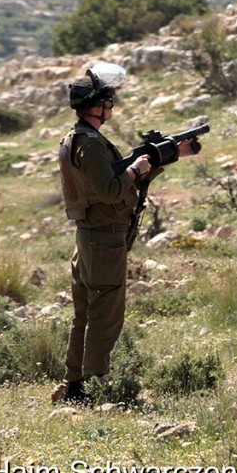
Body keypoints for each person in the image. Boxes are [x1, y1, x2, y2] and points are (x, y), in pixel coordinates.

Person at [53, 62, 196, 405]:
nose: (112, 108)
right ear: (98, 106)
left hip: (93, 237)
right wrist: (134, 169)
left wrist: (172, 154)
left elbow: (123, 179)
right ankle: (94, 386)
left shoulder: (81, 139)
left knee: (86, 314)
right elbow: (110, 189)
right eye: (109, 102)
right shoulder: (89, 144)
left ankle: (76, 385)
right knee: (104, 315)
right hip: (103, 238)